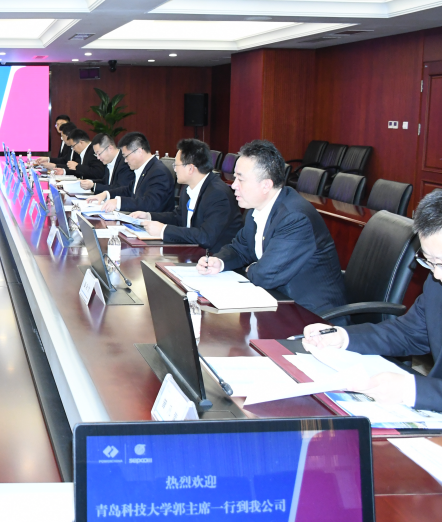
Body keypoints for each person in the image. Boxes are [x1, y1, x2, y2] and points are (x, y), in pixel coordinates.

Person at [303, 190, 442, 410]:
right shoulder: (436, 285)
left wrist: (411, 390)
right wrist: (344, 337)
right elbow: (407, 333)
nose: (437, 274)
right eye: (430, 261)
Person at [197, 140, 347, 317]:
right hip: (277, 304)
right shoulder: (256, 209)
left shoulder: (295, 218)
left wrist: (252, 268)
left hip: (312, 316)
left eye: (240, 179)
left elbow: (265, 275)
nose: (234, 185)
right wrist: (219, 261)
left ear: (266, 185)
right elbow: (240, 248)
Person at [130, 138, 243, 252]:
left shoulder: (217, 194)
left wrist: (163, 230)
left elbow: (205, 237)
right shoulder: (188, 188)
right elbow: (178, 217)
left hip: (214, 257)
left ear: (190, 168)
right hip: (192, 251)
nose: (174, 170)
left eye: (176, 165)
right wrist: (149, 216)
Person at [89, 132, 174, 214]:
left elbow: (150, 203)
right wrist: (106, 194)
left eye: (126, 156)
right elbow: (128, 190)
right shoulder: (146, 168)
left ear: (139, 151)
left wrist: (118, 202)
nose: (125, 161)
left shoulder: (158, 172)